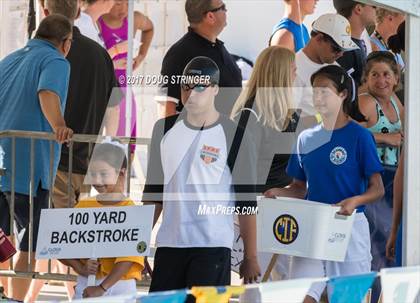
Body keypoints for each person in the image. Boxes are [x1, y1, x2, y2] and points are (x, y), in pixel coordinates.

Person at [24, 0, 121, 301]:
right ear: (78, 11)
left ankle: (22, 297)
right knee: (63, 234)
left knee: (37, 237)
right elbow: (112, 109)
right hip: (80, 160)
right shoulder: (100, 55)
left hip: (45, 158)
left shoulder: (38, 54)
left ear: (44, 10)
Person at [265, 65, 384, 303]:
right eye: (314, 91)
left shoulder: (359, 136)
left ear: (342, 94)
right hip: (311, 226)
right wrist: (275, 193)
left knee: (345, 299)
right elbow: (299, 187)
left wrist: (356, 200)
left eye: (324, 91)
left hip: (348, 227)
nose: (317, 97)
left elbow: (377, 188)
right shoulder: (306, 138)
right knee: (303, 296)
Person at [143, 56, 260, 293]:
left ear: (215, 89)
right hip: (169, 244)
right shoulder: (162, 130)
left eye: (200, 86)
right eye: (186, 86)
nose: (191, 93)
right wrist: (139, 244)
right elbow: (154, 194)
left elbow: (246, 202)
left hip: (212, 245)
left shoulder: (233, 134)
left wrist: (251, 256)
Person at [0, 14, 73, 301]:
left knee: (3, 243)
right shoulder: (56, 61)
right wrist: (59, 126)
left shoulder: (9, 60)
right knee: (29, 247)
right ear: (65, 43)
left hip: (3, 163)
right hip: (32, 170)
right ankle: (15, 300)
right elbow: (47, 92)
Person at [59, 141, 144, 299]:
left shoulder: (132, 211)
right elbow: (60, 246)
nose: (97, 180)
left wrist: (102, 288)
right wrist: (80, 267)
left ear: (122, 172)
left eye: (103, 174)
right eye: (92, 174)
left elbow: (127, 259)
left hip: (121, 287)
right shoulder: (83, 206)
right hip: (86, 283)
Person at [358, 51, 404, 303]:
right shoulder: (366, 102)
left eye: (386, 74)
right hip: (375, 180)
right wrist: (387, 138)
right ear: (366, 79)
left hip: (396, 177)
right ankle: (377, 297)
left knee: (394, 243)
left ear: (396, 78)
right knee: (383, 243)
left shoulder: (394, 101)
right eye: (375, 75)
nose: (381, 80)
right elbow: (349, 131)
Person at [155, 0, 242, 118]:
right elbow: (166, 105)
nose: (226, 11)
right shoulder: (180, 53)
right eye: (223, 7)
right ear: (210, 16)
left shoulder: (217, 46)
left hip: (228, 132)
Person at [98, 0, 154, 152]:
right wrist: (114, 59)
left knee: (127, 144)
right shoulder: (97, 20)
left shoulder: (133, 19)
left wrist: (141, 56)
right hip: (103, 88)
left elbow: (149, 28)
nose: (123, 8)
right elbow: (93, 60)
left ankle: (124, 172)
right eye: (117, 3)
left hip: (124, 88)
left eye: (127, 3)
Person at [293, 13, 359, 125]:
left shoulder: (335, 67)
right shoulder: (293, 69)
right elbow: (288, 119)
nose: (341, 54)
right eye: (337, 48)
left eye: (344, 50)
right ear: (319, 38)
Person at [333, 0, 377, 87]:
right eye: (374, 6)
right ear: (358, 9)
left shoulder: (356, 43)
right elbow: (342, 93)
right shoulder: (343, 50)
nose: (378, 9)